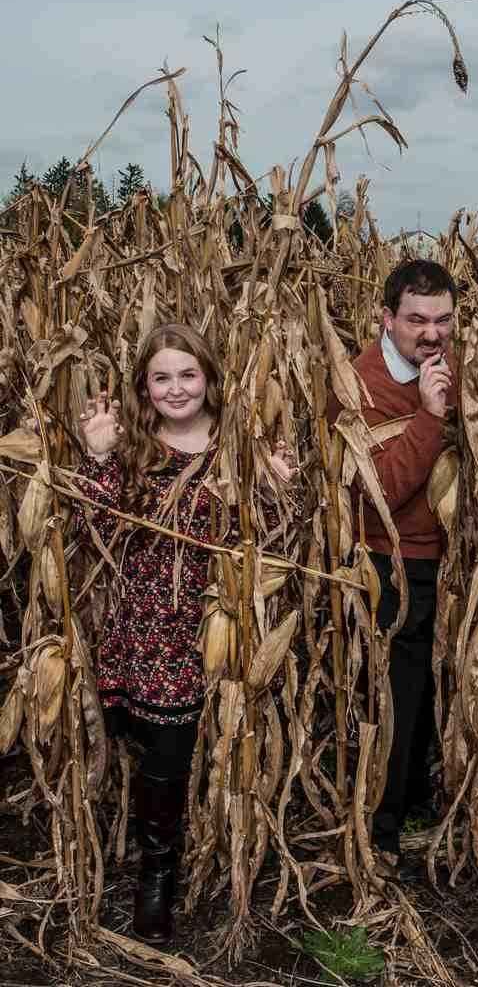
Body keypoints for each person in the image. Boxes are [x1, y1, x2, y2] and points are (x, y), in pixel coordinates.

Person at [76, 323, 293, 945]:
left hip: (215, 625)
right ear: (144, 387)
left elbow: (271, 543)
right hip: (147, 628)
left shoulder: (235, 446)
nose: (176, 388)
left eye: (188, 375)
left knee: (204, 745)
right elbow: (98, 527)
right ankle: (155, 869)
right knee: (157, 754)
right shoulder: (132, 447)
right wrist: (96, 457)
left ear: (209, 379)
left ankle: (197, 864)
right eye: (162, 377)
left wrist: (277, 488)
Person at [331, 258, 457, 871]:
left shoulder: (455, 372)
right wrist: (432, 419)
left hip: (453, 562)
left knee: (435, 690)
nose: (431, 333)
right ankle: (379, 834)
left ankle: (415, 800)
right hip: (390, 563)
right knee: (394, 696)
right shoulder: (359, 383)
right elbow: (372, 491)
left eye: (443, 320)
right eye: (416, 320)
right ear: (387, 318)